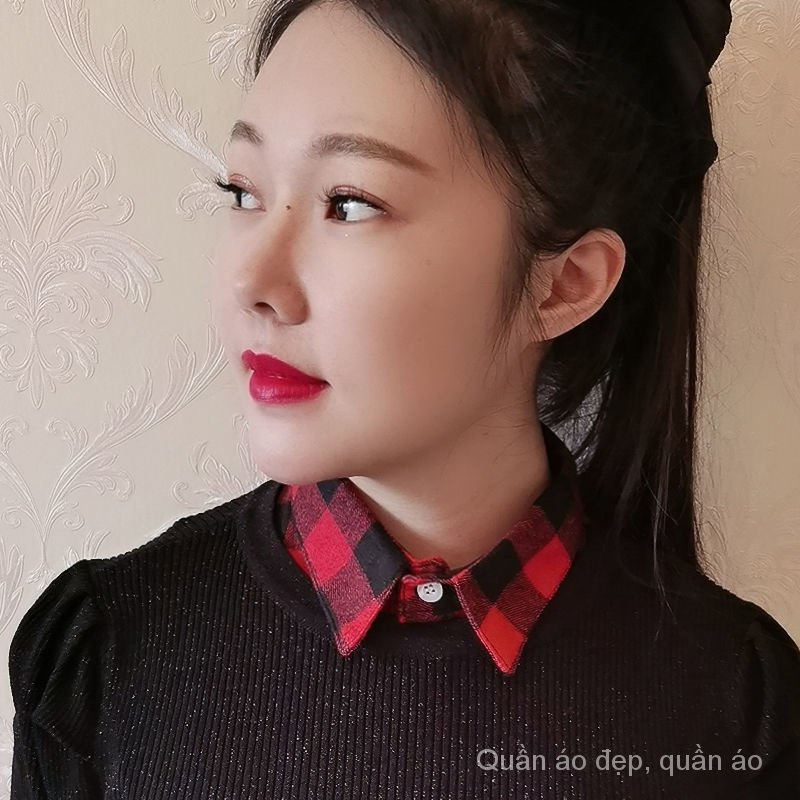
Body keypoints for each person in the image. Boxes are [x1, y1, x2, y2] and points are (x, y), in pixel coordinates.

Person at [8, 0, 800, 797]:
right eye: (243, 191)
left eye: (350, 203)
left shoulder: (736, 703)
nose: (252, 281)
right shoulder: (108, 657)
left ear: (564, 283)